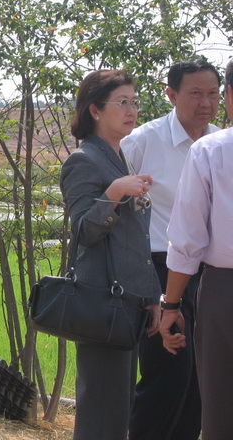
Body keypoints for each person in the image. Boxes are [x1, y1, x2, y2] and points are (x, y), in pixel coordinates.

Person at [122, 58, 220, 440]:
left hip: (209, 273)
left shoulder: (220, 144)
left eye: (212, 93)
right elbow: (111, 200)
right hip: (159, 269)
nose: (205, 103)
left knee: (200, 381)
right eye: (195, 93)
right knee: (167, 377)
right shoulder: (142, 141)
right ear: (171, 94)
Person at [60, 70, 161, 440]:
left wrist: (152, 296)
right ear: (95, 110)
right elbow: (84, 231)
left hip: (128, 303)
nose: (132, 110)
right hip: (102, 305)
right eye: (122, 102)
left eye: (134, 101)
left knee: (117, 410)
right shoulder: (84, 160)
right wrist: (114, 192)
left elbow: (135, 239)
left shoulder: (121, 158)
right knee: (102, 414)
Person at [160, 59, 233, 440]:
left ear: (229, 96)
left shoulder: (212, 150)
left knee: (222, 408)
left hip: (224, 292)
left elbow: (188, 239)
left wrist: (171, 304)